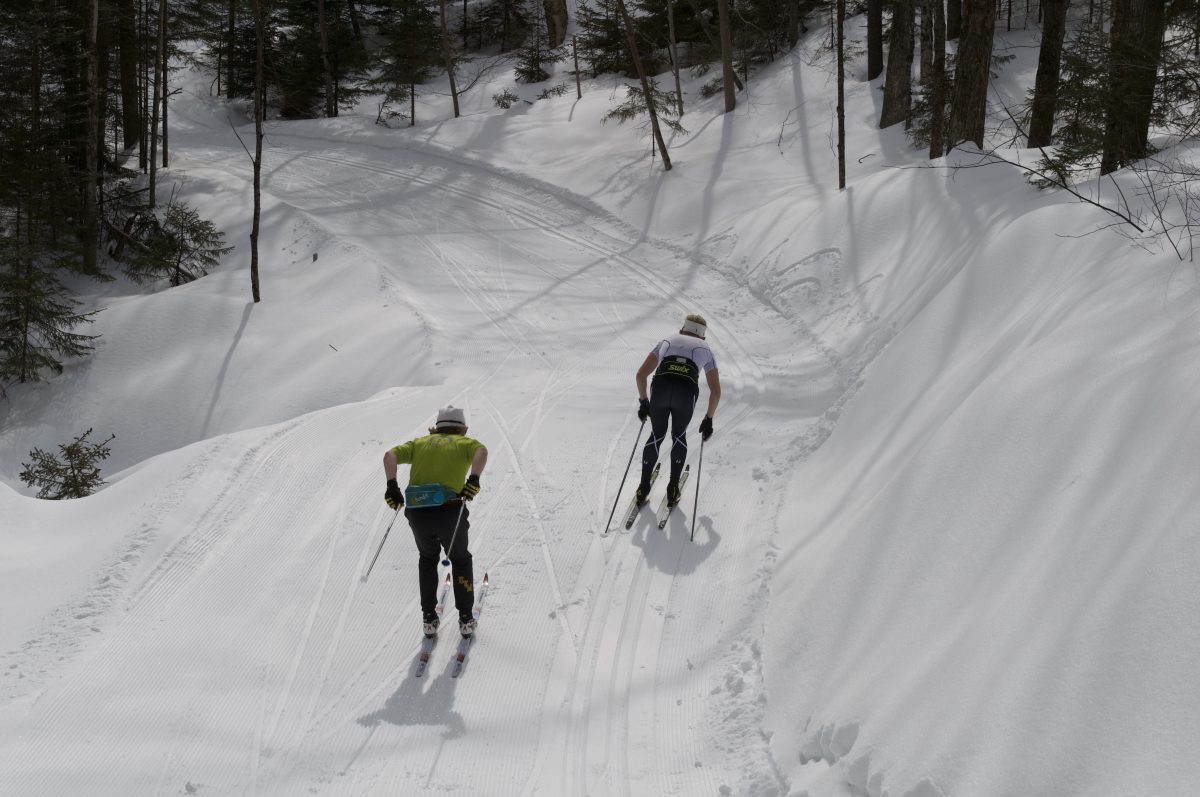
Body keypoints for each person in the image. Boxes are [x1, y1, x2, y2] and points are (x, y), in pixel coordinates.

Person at [383, 405, 488, 639]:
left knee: (428, 559)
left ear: (436, 427)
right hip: (449, 512)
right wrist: (474, 478)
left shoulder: (419, 443)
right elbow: (482, 452)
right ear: (463, 428)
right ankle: (465, 620)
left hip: (418, 512)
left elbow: (389, 455)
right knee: (460, 560)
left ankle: (429, 618)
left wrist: (392, 486)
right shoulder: (464, 443)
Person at [634, 313, 721, 507]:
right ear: (703, 337)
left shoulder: (667, 340)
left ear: (682, 329)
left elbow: (640, 375)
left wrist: (643, 402)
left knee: (656, 435)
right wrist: (709, 419)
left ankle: (642, 487)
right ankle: (673, 489)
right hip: (686, 392)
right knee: (679, 436)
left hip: (661, 388)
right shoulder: (706, 349)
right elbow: (716, 392)